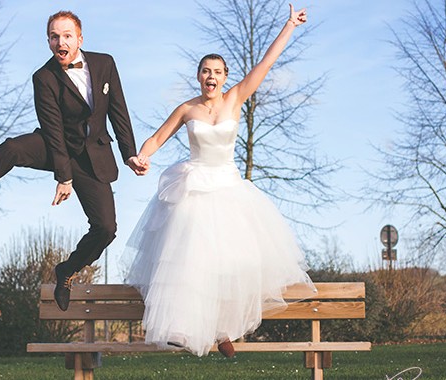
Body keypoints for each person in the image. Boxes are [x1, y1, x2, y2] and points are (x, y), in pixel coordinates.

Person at [124, 4, 316, 358]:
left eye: (217, 71)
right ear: (198, 76)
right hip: (194, 187)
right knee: (188, 259)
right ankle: (189, 329)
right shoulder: (186, 109)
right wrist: (142, 156)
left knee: (232, 262)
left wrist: (289, 25)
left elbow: (267, 63)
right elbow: (156, 138)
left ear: (225, 77)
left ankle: (224, 328)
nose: (211, 76)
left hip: (228, 188)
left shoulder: (236, 98)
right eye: (205, 71)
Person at [0, 10, 148, 312]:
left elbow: (118, 111)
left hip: (93, 157)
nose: (60, 42)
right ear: (48, 41)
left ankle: (67, 271)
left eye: (67, 36)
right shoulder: (44, 77)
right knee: (11, 149)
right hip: (55, 145)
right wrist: (64, 177)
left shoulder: (105, 64)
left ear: (79, 39)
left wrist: (129, 154)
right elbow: (53, 129)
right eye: (54, 37)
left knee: (106, 229)